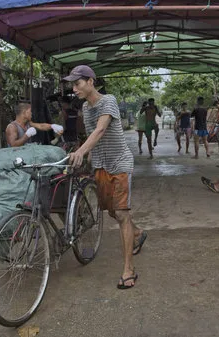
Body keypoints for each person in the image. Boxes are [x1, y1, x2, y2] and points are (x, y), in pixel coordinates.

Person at [64, 65, 146, 290]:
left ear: (90, 81)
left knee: (121, 213)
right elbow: (90, 135)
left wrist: (81, 152)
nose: (74, 88)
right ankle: (137, 232)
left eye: (78, 83)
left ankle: (129, 270)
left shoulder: (108, 100)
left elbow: (99, 130)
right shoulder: (84, 107)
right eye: (72, 84)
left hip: (119, 163)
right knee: (111, 211)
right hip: (100, 165)